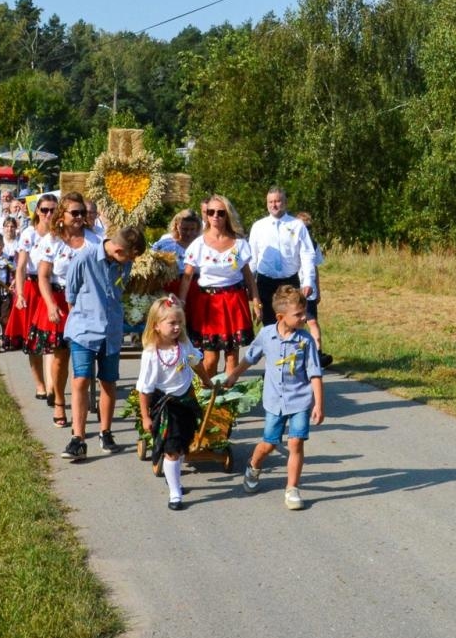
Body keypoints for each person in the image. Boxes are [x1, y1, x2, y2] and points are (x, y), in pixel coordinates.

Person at [226, 285, 324, 511]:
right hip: (274, 401)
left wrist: (319, 404)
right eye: (298, 314)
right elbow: (249, 358)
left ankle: (292, 488)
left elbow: (315, 374)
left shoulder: (306, 341)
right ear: (281, 317)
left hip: (300, 400)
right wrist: (233, 376)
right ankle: (253, 466)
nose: (303, 318)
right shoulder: (266, 335)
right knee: (269, 444)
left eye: (304, 312)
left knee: (296, 442)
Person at [59, 224, 145, 462]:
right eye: (130, 256)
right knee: (81, 379)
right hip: (84, 330)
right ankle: (78, 438)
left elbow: (119, 291)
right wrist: (85, 318)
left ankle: (105, 433)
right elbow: (71, 296)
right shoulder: (85, 258)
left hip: (111, 330)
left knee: (109, 381)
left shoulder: (124, 264)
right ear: (118, 249)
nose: (130, 261)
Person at [36, 192, 99, 430]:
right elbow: (43, 277)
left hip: (88, 302)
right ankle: (60, 401)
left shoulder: (94, 239)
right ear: (62, 215)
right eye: (75, 213)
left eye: (83, 213)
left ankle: (86, 410)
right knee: (61, 356)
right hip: (60, 300)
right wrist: (51, 305)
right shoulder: (52, 241)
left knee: (84, 357)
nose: (80, 217)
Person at [135, 296, 206, 510]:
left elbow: (196, 362)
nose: (177, 327)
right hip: (165, 406)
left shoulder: (184, 344)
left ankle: (172, 472)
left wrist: (207, 381)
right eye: (171, 323)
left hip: (186, 401)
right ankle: (175, 493)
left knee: (183, 444)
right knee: (172, 449)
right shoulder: (151, 355)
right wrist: (146, 416)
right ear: (156, 326)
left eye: (179, 323)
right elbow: (144, 389)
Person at [177, 195, 257, 382]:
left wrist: (256, 301)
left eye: (220, 213)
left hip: (234, 300)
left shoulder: (239, 243)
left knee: (232, 356)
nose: (215, 216)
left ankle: (226, 404)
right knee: (210, 358)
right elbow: (187, 277)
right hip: (209, 305)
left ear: (227, 215)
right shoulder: (198, 244)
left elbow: (248, 277)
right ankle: (207, 398)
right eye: (211, 212)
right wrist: (181, 302)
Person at [8, 196, 57, 398]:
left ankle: (54, 386)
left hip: (52, 288)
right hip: (32, 287)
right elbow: (20, 267)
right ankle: (40, 384)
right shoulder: (29, 234)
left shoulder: (59, 234)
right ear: (37, 211)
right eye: (45, 210)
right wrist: (20, 294)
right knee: (33, 341)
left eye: (53, 210)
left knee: (52, 339)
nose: (49, 214)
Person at [248, 186, 317, 328]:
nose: (274, 205)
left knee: (291, 323)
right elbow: (252, 258)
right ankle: (273, 350)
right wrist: (249, 284)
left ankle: (290, 350)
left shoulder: (297, 225)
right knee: (269, 324)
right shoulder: (258, 226)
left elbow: (307, 254)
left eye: (277, 201)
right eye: (270, 202)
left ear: (285, 202)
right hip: (265, 282)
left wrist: (308, 281)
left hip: (289, 281)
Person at [294, 211, 330, 369]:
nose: (306, 232)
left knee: (312, 321)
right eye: (303, 228)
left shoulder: (314, 245)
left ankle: (318, 353)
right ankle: (297, 353)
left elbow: (315, 268)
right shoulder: (291, 243)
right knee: (296, 322)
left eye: (308, 228)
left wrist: (318, 290)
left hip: (310, 289)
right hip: (295, 287)